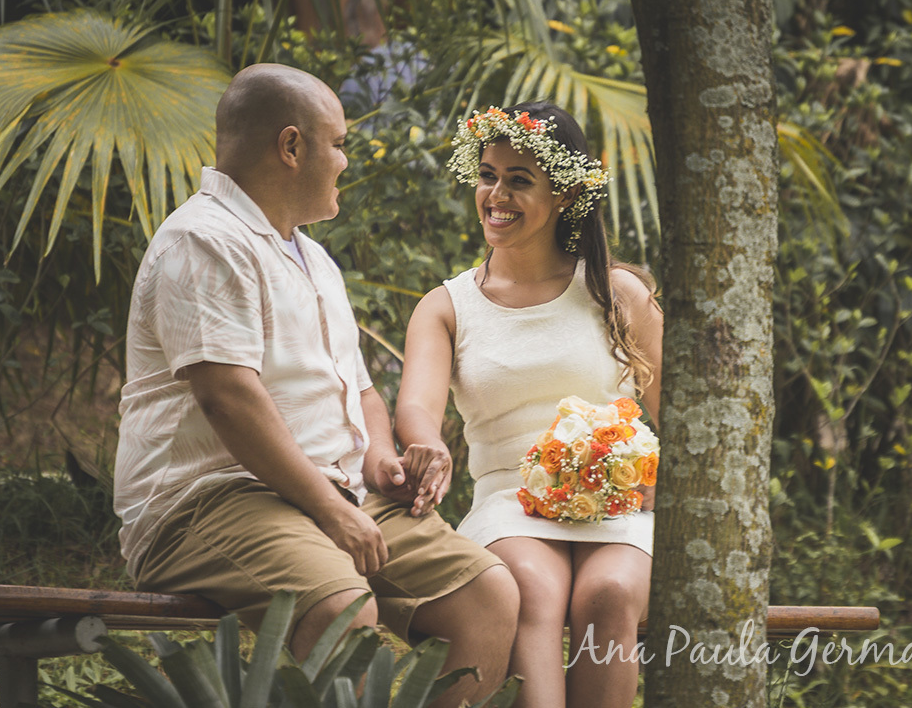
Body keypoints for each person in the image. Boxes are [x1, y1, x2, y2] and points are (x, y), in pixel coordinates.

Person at [113, 64, 518, 706]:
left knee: (487, 596)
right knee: (343, 609)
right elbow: (228, 397)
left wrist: (380, 457)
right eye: (340, 144)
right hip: (211, 500)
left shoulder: (310, 254)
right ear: (292, 146)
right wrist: (332, 511)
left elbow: (359, 388)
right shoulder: (204, 240)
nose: (346, 162)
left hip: (341, 490)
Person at [394, 102, 663, 708]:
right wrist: (426, 445)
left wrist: (657, 481)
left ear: (565, 195)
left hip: (618, 501)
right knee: (532, 590)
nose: (497, 195)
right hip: (507, 503)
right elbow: (416, 408)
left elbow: (680, 413)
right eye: (488, 175)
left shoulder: (616, 292)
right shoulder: (447, 306)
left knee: (610, 595)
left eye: (520, 181)